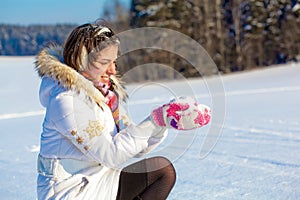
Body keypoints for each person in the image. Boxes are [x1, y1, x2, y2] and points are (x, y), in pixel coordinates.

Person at [35, 20, 211, 200]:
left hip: (98, 179)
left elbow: (134, 147)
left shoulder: (104, 96)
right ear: (81, 61)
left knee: (161, 171)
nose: (112, 70)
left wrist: (165, 120)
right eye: (104, 62)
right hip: (72, 190)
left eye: (114, 61)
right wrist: (156, 120)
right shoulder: (67, 102)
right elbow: (112, 155)